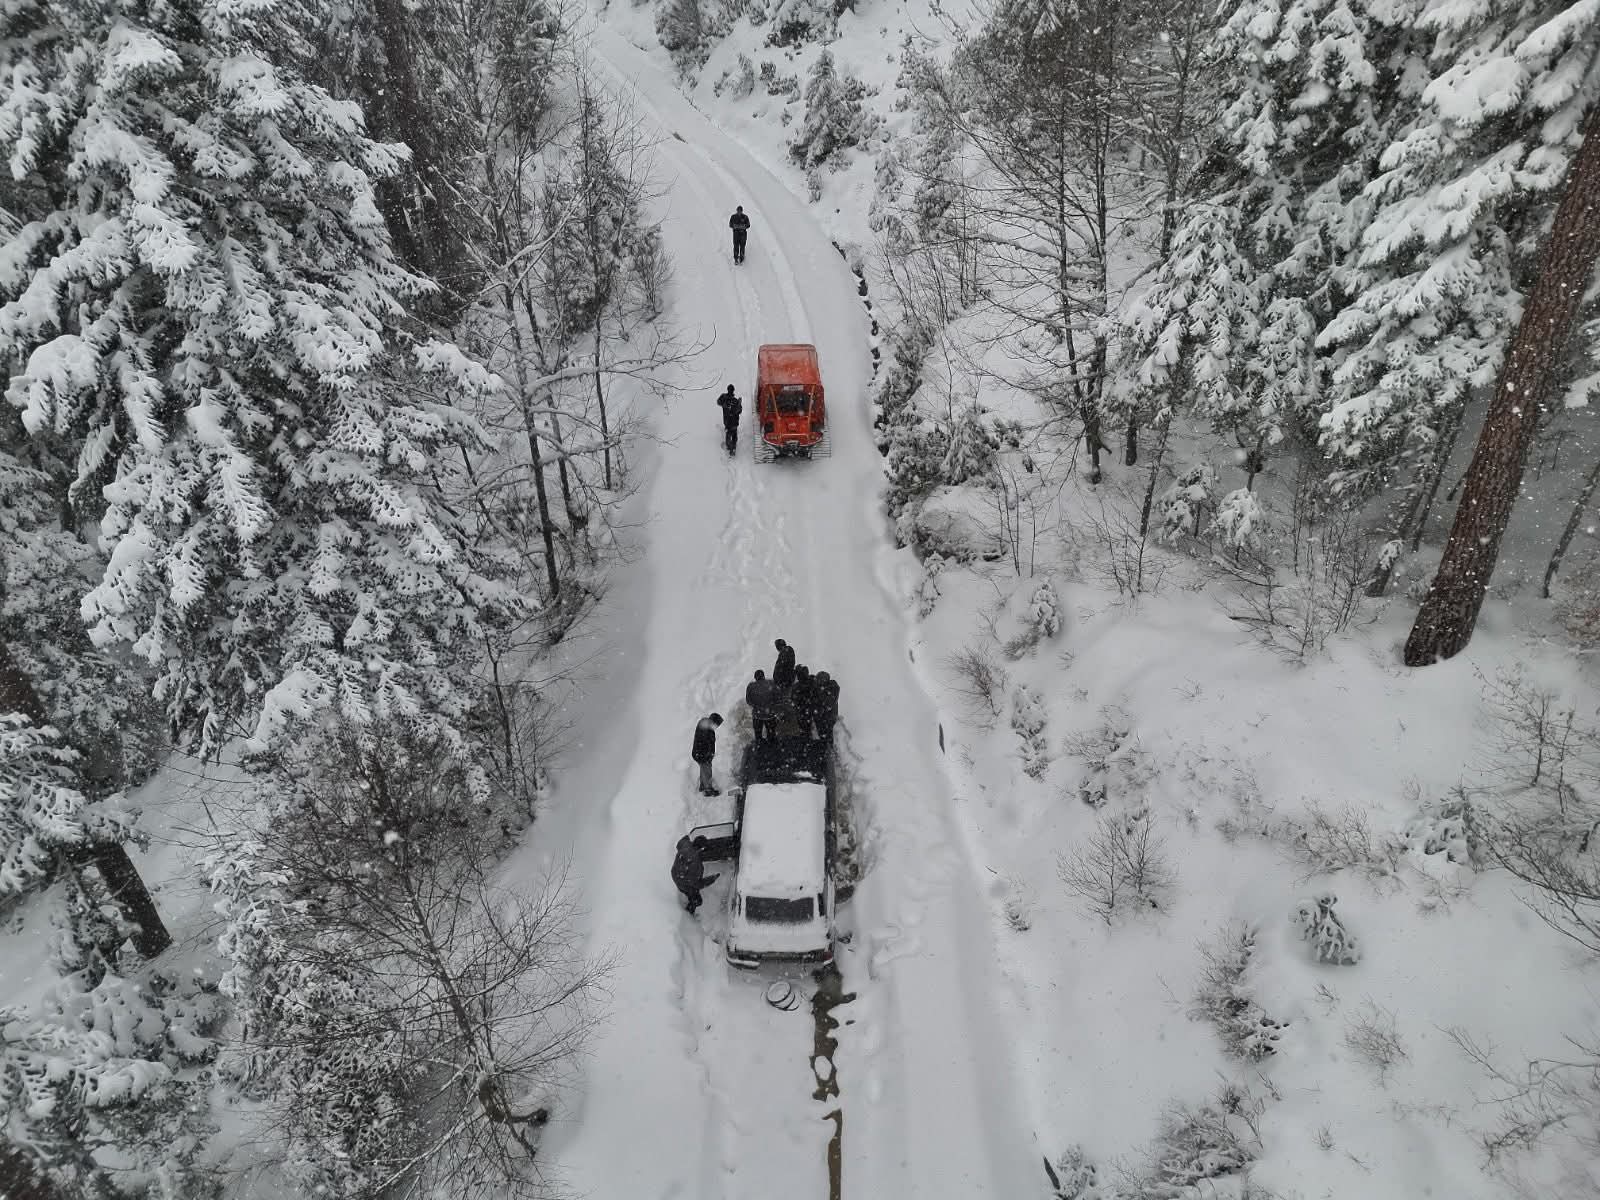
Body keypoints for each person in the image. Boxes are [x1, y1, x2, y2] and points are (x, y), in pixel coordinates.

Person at [672, 835, 720, 914]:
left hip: (674, 873)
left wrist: (687, 837)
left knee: (689, 884)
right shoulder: (695, 864)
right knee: (697, 900)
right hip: (682, 883)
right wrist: (712, 879)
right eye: (703, 849)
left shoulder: (686, 845)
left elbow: (680, 843)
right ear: (701, 848)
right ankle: (688, 914)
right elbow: (697, 884)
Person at [691, 712, 723, 795]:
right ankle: (708, 790)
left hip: (700, 754)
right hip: (702, 754)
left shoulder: (706, 726)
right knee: (707, 770)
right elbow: (706, 743)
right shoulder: (706, 728)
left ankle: (703, 785)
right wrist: (708, 756)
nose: (716, 727)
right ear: (713, 721)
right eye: (717, 725)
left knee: (704, 769)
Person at [746, 669, 779, 742]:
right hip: (770, 715)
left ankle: (760, 749)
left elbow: (748, 701)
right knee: (772, 735)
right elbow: (777, 699)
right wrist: (770, 706)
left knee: (758, 736)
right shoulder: (771, 683)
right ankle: (772, 748)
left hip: (757, 715)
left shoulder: (751, 686)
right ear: (763, 676)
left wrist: (757, 706)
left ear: (755, 677)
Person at [815, 671, 840, 744]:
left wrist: (820, 692)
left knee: (826, 737)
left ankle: (829, 750)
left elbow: (828, 704)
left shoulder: (831, 690)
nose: (817, 682)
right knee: (825, 736)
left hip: (828, 719)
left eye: (818, 680)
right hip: (827, 718)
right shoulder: (829, 688)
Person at [716, 385, 742, 456]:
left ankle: (731, 448)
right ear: (733, 390)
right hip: (734, 422)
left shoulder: (724, 397)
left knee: (729, 434)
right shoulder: (735, 400)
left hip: (728, 422)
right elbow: (739, 411)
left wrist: (725, 404)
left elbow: (718, 402)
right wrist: (739, 403)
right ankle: (733, 448)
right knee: (733, 435)